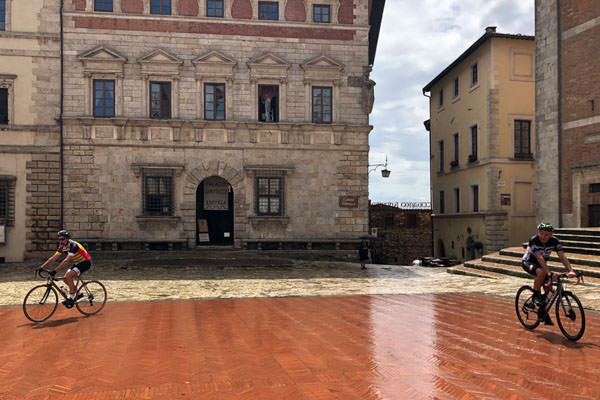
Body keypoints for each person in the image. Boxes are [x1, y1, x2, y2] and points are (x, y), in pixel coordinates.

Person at [521, 222, 576, 325]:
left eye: (546, 235)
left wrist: (570, 270)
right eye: (541, 233)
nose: (543, 236)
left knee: (549, 291)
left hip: (542, 265)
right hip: (529, 262)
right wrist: (549, 272)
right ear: (538, 233)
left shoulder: (555, 242)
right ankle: (535, 295)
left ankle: (543, 313)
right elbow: (539, 258)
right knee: (541, 272)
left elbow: (562, 256)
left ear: (551, 235)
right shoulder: (534, 240)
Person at [39, 230, 92, 308]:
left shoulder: (74, 246)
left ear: (67, 239)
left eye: (63, 239)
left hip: (85, 263)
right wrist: (41, 267)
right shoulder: (62, 247)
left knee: (69, 276)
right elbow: (53, 258)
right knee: (65, 279)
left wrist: (55, 271)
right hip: (78, 263)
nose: (61, 241)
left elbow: (66, 261)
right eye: (59, 239)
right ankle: (79, 294)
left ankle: (72, 297)